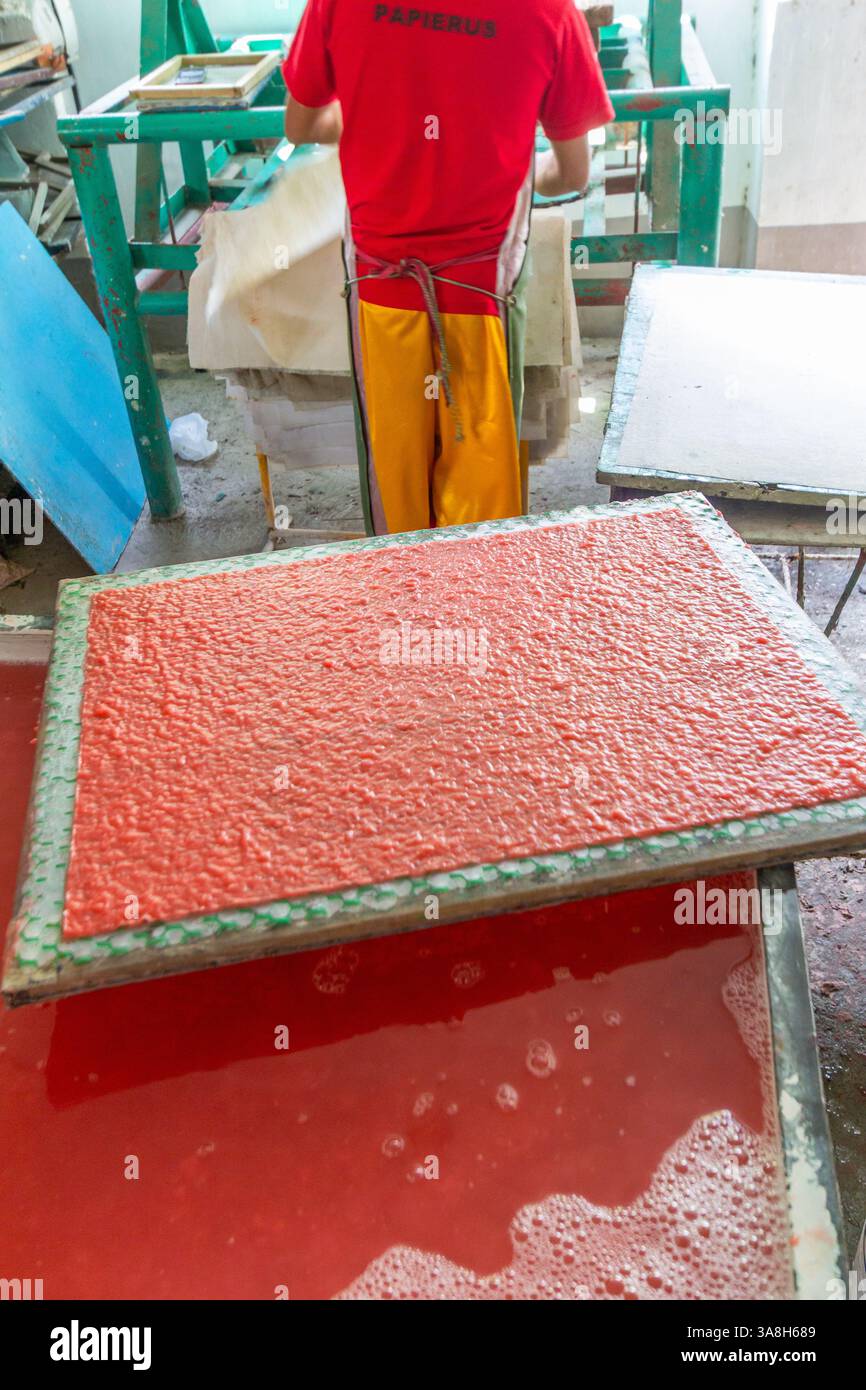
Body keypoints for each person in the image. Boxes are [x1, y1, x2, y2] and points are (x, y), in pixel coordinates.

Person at [283, 2, 614, 535]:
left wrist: (374, 113)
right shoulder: (550, 12)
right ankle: (473, 610)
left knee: (396, 482)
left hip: (379, 287)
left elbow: (301, 126)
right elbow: (572, 172)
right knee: (482, 494)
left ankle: (403, 604)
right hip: (483, 292)